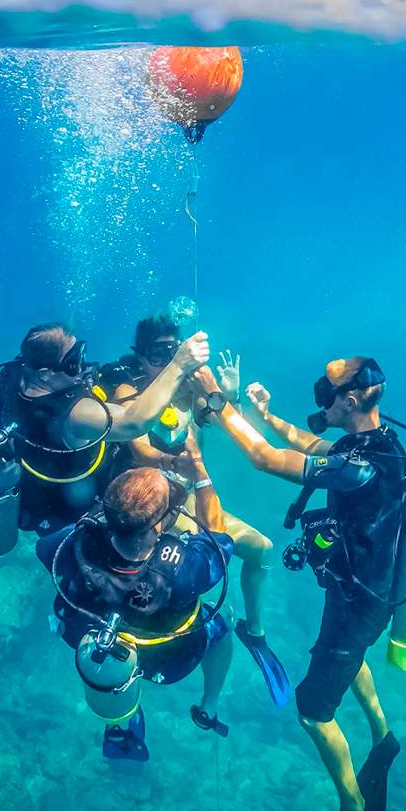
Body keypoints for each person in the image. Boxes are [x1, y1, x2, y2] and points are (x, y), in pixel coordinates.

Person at [201, 355, 406, 811]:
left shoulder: (357, 468)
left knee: (312, 709)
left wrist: (221, 408)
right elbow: (303, 444)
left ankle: (352, 808)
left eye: (329, 389)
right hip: (368, 594)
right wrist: (263, 413)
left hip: (359, 603)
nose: (321, 394)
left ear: (350, 398)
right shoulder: (380, 444)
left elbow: (271, 460)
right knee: (352, 657)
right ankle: (380, 733)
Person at [101, 301, 289, 707]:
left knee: (263, 549)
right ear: (139, 356)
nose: (165, 362)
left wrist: (228, 394)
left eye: (171, 353)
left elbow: (219, 421)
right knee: (174, 607)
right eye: (156, 355)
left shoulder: (187, 386)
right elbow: (137, 445)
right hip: (154, 514)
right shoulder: (129, 390)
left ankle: (254, 632)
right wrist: (178, 462)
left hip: (190, 501)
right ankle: (128, 687)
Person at [0, 321, 210, 593]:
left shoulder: (15, 375)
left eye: (79, 353)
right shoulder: (73, 414)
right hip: (73, 500)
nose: (82, 366)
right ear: (46, 374)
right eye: (73, 363)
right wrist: (178, 364)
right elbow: (134, 423)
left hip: (32, 489)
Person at [35, 430, 234, 763]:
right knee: (224, 617)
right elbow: (219, 537)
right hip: (166, 658)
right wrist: (200, 474)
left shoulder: (79, 539)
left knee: (111, 670)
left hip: (87, 635)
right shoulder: (182, 572)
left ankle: (121, 721)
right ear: (159, 526)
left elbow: (45, 551)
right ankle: (208, 706)